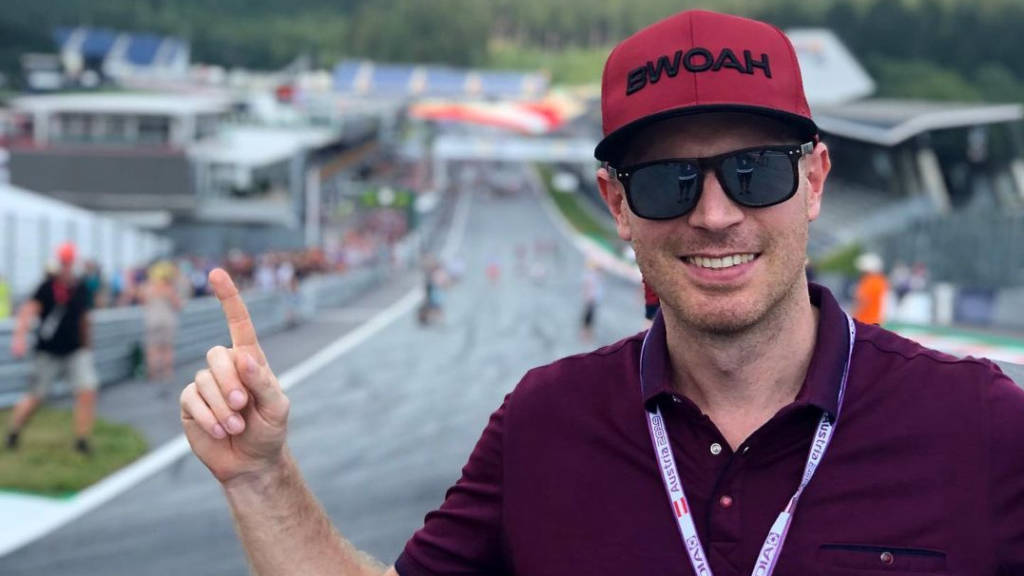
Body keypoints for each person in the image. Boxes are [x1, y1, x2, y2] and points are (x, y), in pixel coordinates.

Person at [179, 10, 1024, 575]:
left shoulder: (979, 422)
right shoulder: (542, 422)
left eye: (754, 171)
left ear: (815, 181)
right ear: (617, 205)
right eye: (666, 182)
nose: (715, 215)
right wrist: (260, 477)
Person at [6, 242, 99, 455]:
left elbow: (84, 319)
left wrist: (88, 346)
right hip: (48, 352)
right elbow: (28, 311)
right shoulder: (46, 287)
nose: (67, 266)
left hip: (75, 350)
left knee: (87, 390)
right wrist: (19, 338)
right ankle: (14, 431)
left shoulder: (80, 288)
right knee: (36, 396)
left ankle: (82, 440)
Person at [140, 260, 182, 388]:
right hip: (167, 319)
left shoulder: (148, 288)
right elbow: (177, 305)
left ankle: (153, 374)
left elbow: (143, 302)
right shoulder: (169, 288)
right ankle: (167, 373)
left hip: (152, 320)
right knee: (167, 348)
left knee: (152, 348)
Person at [852, 252, 888, 325]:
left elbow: (863, 301)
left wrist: (853, 315)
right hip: (876, 320)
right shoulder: (881, 280)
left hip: (864, 320)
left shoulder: (869, 281)